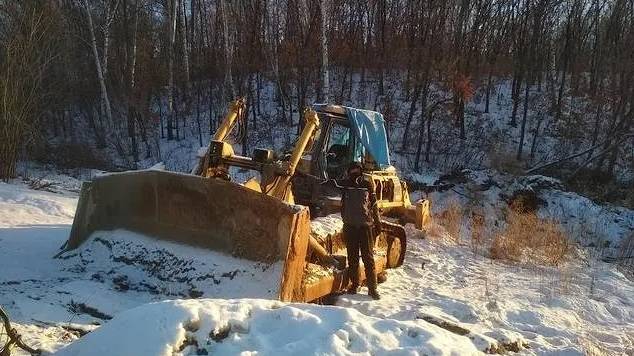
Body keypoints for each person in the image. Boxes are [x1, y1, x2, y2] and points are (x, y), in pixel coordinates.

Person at [338, 162, 382, 300]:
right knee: (352, 258)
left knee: (368, 258)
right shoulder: (345, 185)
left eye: (357, 170)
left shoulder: (367, 185)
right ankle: (355, 284)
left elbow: (374, 205)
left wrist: (377, 222)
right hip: (350, 227)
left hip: (365, 227)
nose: (354, 172)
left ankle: (372, 288)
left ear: (361, 171)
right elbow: (342, 203)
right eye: (352, 170)